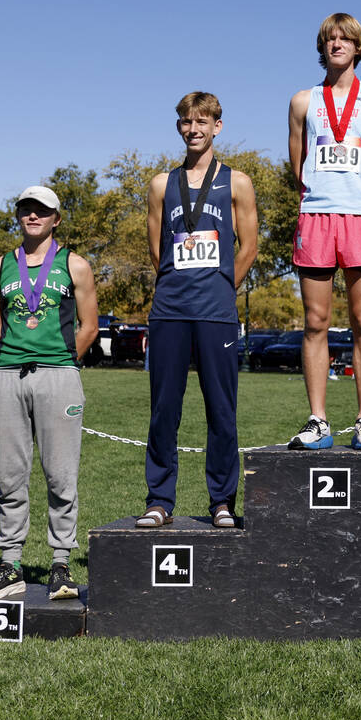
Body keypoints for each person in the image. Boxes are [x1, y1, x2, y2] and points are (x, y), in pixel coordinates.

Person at [137, 92, 258, 529]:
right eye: (187, 122)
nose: (194, 129)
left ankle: (222, 501)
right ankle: (159, 499)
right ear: (179, 128)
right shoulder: (159, 185)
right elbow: (158, 249)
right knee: (164, 408)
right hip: (169, 309)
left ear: (217, 127)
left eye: (203, 121)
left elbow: (250, 246)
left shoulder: (237, 182)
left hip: (217, 312)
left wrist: (223, 288)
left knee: (221, 410)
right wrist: (178, 283)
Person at [0, 185, 98, 600]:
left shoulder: (75, 265)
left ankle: (61, 565)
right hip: (8, 376)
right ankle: (10, 565)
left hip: (58, 377)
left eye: (41, 211)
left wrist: (61, 362)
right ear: (18, 216)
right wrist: (14, 357)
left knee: (61, 475)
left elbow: (89, 327)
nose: (33, 216)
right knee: (10, 475)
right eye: (26, 209)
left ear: (56, 219)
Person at [287, 14, 361, 449]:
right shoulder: (301, 102)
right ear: (322, 47)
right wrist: (319, 194)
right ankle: (317, 421)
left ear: (358, 47)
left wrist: (360, 198)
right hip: (315, 218)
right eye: (329, 38)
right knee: (315, 322)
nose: (336, 44)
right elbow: (297, 165)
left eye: (344, 38)